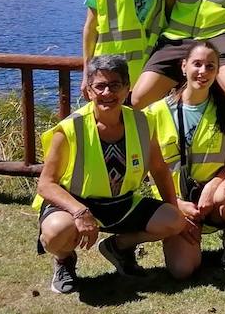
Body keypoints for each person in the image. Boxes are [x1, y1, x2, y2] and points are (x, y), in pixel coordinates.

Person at [34, 55, 188, 293]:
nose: (107, 92)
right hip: (75, 203)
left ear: (127, 88)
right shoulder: (69, 128)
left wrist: (174, 210)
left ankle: (118, 247)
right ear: (89, 90)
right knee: (56, 232)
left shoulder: (142, 122)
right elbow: (46, 185)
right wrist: (80, 211)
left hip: (122, 204)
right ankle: (64, 260)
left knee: (173, 220)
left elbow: (159, 168)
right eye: (100, 86)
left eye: (115, 85)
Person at [143, 42, 225, 272]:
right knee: (182, 270)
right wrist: (176, 205)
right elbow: (151, 173)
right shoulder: (155, 113)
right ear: (183, 67)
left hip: (215, 198)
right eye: (197, 64)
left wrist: (215, 184)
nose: (203, 71)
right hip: (177, 201)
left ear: (218, 71)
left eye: (210, 66)